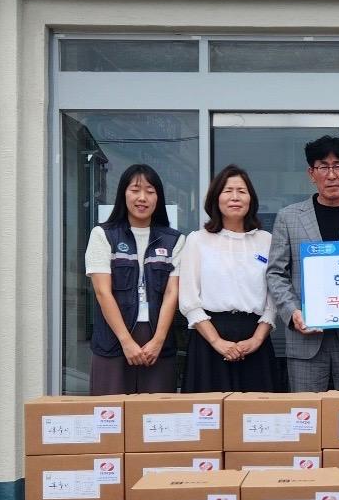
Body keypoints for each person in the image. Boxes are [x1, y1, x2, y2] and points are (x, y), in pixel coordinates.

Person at [266, 135, 339, 392]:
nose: (331, 175)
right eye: (323, 167)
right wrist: (293, 312)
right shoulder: (288, 217)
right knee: (307, 412)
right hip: (305, 338)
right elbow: (276, 273)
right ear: (311, 173)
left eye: (338, 166)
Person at [85, 163, 184, 395]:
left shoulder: (174, 240)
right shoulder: (103, 235)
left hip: (157, 341)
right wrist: (126, 341)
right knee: (110, 412)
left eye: (150, 191)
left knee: (157, 413)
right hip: (113, 339)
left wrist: (158, 340)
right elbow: (102, 292)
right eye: (135, 190)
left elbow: (172, 293)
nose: (142, 198)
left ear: (158, 197)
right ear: (123, 193)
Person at [179, 164, 277, 392]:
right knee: (209, 411)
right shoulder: (197, 240)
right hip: (208, 338)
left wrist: (257, 339)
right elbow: (189, 299)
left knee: (257, 410)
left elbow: (273, 298)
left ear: (251, 199)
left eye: (241, 191)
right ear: (216, 198)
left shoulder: (266, 240)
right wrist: (217, 342)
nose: (235, 197)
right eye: (228, 191)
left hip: (255, 337)